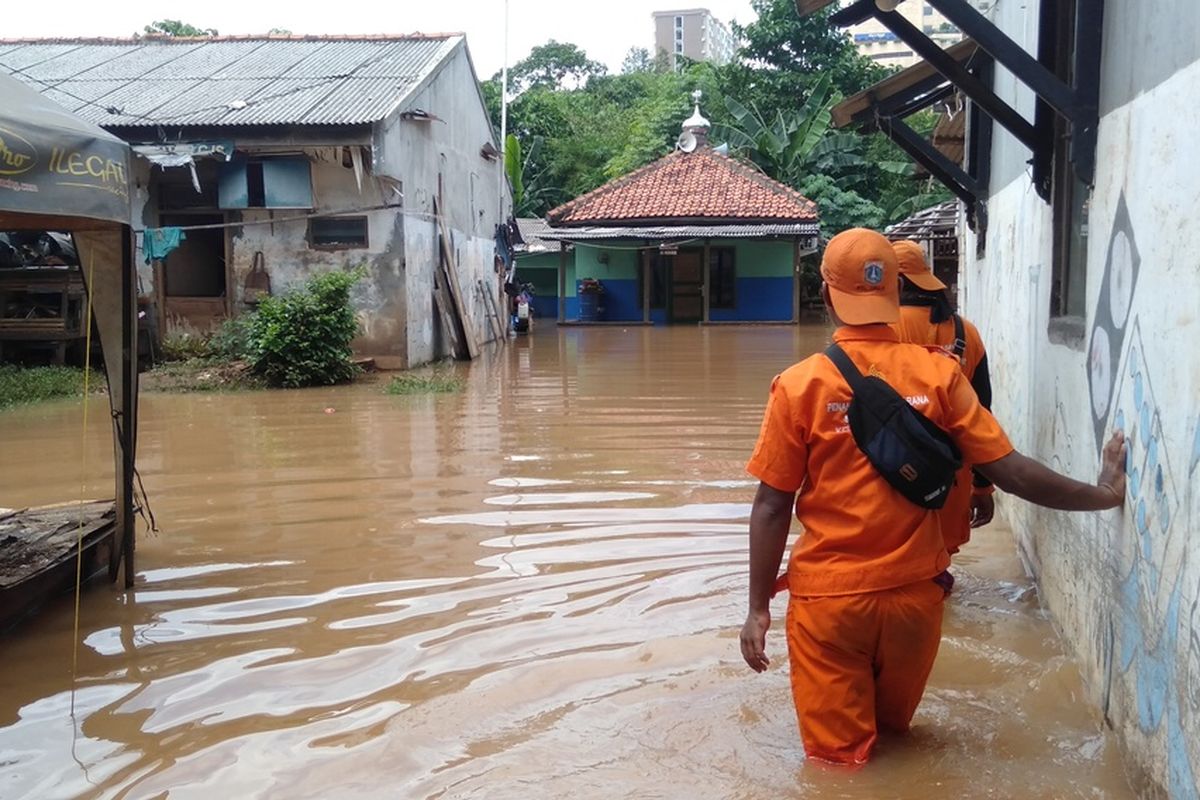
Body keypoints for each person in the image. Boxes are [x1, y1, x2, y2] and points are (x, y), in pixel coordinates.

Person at [739, 228, 1126, 767]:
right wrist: (1104, 493)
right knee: (895, 739)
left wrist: (758, 607)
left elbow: (773, 505)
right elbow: (1011, 471)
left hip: (829, 605)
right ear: (895, 293)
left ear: (827, 296)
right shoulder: (940, 374)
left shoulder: (800, 386)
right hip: (915, 602)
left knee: (838, 766)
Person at [892, 239, 994, 558]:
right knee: (939, 563)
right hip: (953, 475)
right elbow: (983, 413)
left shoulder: (879, 329)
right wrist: (983, 486)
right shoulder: (967, 332)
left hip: (890, 470)